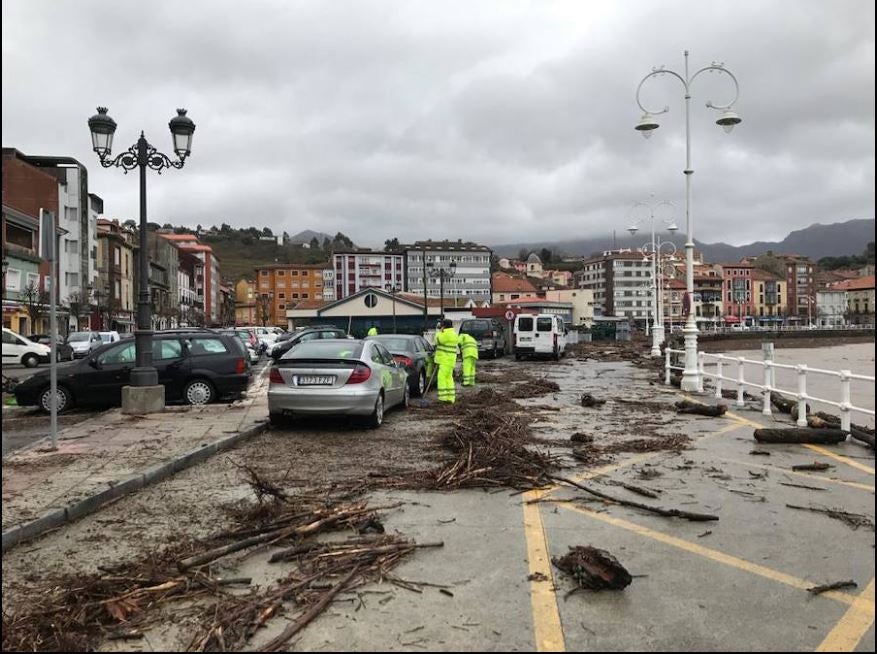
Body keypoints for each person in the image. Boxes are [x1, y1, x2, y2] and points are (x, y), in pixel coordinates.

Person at [433, 318, 459, 404]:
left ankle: (443, 398)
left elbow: (437, 340)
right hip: (450, 360)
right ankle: (450, 397)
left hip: (445, 359)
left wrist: (438, 331)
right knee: (449, 378)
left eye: (442, 325)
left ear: (444, 326)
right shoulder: (453, 333)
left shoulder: (446, 334)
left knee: (442, 377)